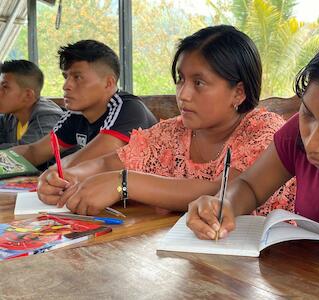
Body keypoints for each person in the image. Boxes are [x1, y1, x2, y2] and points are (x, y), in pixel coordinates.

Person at [186, 21, 319, 262]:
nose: (313, 142)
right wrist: (225, 203)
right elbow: (250, 186)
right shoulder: (296, 135)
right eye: (307, 113)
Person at [37, 25, 295, 215]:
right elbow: (110, 162)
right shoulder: (171, 133)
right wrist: (70, 176)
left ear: (238, 92)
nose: (183, 94)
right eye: (180, 79)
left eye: (199, 83)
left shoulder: (263, 131)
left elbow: (229, 191)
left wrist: (124, 183)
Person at [11, 40, 157, 168]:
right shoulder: (76, 114)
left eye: (77, 77)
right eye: (66, 77)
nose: (66, 85)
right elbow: (34, 152)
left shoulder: (128, 108)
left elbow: (90, 159)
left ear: (108, 83)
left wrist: (52, 174)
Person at [0, 60, 63, 149]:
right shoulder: (11, 116)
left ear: (28, 95)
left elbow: (25, 153)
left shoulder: (47, 117)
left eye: (5, 87)